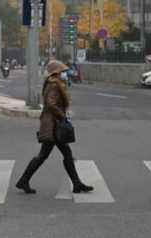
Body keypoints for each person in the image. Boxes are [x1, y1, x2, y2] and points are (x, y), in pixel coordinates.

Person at [15, 60, 93, 195]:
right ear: (56, 73)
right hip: (53, 124)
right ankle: (76, 184)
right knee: (57, 154)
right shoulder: (54, 85)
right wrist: (62, 115)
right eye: (62, 72)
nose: (65, 74)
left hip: (53, 124)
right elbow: (51, 103)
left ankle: (76, 183)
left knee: (48, 155)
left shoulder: (55, 83)